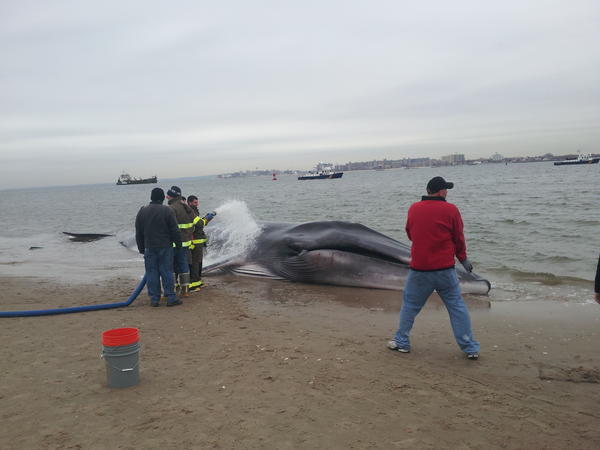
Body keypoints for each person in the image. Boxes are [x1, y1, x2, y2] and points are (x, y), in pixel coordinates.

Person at [387, 176, 480, 360]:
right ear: (439, 191)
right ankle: (470, 348)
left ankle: (402, 343)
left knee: (410, 306)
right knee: (456, 307)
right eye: (445, 189)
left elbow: (410, 233)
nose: (447, 192)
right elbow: (458, 238)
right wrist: (463, 259)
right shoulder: (451, 210)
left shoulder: (414, 208)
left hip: (420, 270)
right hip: (445, 269)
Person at [135, 187, 182, 307]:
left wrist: (141, 248)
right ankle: (170, 297)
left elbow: (138, 232)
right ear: (162, 198)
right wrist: (178, 244)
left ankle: (154, 299)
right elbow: (174, 230)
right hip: (165, 247)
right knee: (167, 271)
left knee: (151, 273)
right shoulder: (167, 211)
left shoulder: (142, 211)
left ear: (151, 197)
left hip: (149, 247)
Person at [166, 186, 196, 298]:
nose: (166, 196)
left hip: (174, 243)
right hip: (186, 243)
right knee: (184, 265)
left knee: (172, 266)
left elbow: (170, 227)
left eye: (168, 195)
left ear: (171, 196)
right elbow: (195, 222)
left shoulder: (171, 208)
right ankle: (185, 290)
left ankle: (172, 289)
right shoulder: (186, 207)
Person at [186, 195, 216, 292]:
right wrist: (207, 218)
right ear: (189, 202)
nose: (197, 204)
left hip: (198, 242)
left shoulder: (194, 211)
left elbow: (199, 224)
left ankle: (198, 281)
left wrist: (206, 219)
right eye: (195, 202)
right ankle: (193, 285)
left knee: (198, 263)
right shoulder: (190, 212)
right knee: (195, 263)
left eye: (197, 202)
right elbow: (198, 225)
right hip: (194, 243)